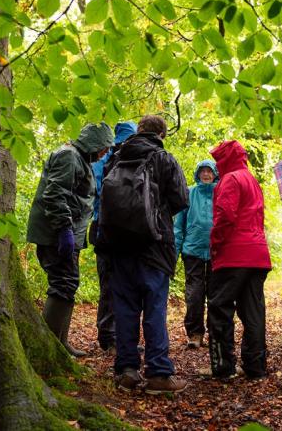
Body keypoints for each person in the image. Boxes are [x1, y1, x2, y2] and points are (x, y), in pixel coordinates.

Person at [97, 115, 189, 394]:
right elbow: (181, 199)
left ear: (139, 132)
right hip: (154, 246)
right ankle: (159, 373)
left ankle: (127, 371)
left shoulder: (116, 158)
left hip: (118, 246)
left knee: (124, 309)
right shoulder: (164, 158)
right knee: (154, 308)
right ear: (161, 133)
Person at [26, 122, 114, 357]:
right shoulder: (68, 156)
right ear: (94, 142)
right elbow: (55, 194)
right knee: (63, 284)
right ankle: (49, 348)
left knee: (68, 283)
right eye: (105, 147)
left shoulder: (80, 159)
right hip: (55, 234)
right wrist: (64, 229)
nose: (106, 152)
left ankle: (59, 343)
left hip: (67, 234)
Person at [207, 140, 271, 380]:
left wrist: (215, 244)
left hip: (233, 254)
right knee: (253, 311)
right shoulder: (251, 180)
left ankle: (223, 367)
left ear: (225, 159)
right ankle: (256, 367)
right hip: (257, 254)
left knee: (219, 308)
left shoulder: (231, 179)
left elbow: (225, 215)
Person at [90, 121, 138, 352]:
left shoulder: (109, 159)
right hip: (108, 229)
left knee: (117, 284)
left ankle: (117, 337)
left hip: (110, 229)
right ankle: (109, 338)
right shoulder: (107, 160)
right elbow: (96, 193)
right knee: (112, 284)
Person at [174, 160, 219, 349]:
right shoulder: (190, 193)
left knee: (216, 295)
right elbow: (178, 225)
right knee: (195, 294)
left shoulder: (221, 192)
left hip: (217, 251)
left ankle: (216, 334)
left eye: (210, 171)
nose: (206, 174)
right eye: (203, 171)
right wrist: (175, 250)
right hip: (192, 250)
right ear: (198, 174)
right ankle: (195, 334)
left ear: (215, 174)